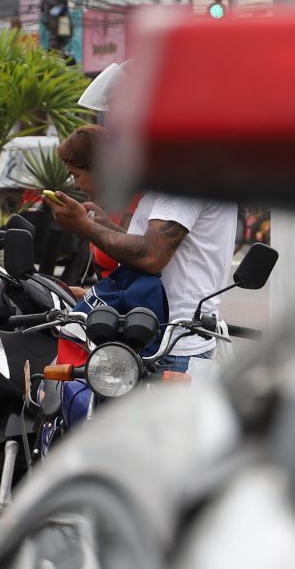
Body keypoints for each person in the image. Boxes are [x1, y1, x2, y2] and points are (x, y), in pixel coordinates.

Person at [47, 107, 236, 377]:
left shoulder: (184, 179)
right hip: (156, 336)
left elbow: (152, 256)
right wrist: (101, 223)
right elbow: (145, 246)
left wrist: (86, 226)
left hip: (172, 346)